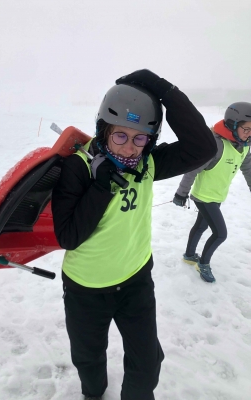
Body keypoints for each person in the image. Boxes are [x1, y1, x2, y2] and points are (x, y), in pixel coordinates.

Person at [52, 69, 217, 400]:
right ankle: (93, 393)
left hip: (136, 281)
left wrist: (164, 90)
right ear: (104, 131)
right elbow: (68, 236)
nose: (130, 148)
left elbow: (203, 147)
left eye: (141, 137)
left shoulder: (148, 164)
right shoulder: (79, 168)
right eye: (120, 136)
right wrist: (102, 185)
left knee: (146, 364)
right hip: (86, 289)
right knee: (88, 358)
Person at [173, 102, 251, 283]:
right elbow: (192, 170)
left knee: (201, 226)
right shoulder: (215, 146)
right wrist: (181, 194)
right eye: (246, 129)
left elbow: (248, 168)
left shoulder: (244, 146)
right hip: (203, 197)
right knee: (220, 234)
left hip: (217, 196)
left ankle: (189, 255)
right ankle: (204, 264)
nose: (249, 134)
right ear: (233, 124)